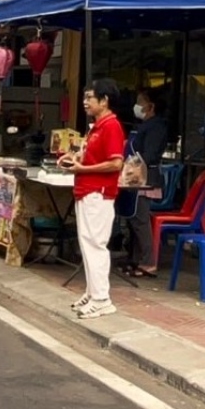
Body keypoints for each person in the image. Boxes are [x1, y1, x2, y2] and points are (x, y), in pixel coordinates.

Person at [61, 78, 126, 320]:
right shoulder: (96, 126)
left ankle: (102, 299)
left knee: (95, 245)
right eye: (85, 97)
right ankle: (92, 292)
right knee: (87, 244)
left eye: (90, 97)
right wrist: (73, 159)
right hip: (87, 190)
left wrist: (81, 170)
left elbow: (115, 163)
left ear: (104, 100)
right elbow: (90, 156)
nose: (85, 102)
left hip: (98, 192)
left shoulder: (111, 126)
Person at [122, 88, 170, 278]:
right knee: (132, 218)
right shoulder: (144, 125)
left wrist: (132, 165)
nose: (137, 106)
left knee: (140, 220)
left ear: (151, 106)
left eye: (140, 102)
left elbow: (149, 155)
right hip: (133, 176)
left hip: (145, 178)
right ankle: (134, 259)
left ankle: (148, 262)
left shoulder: (156, 127)